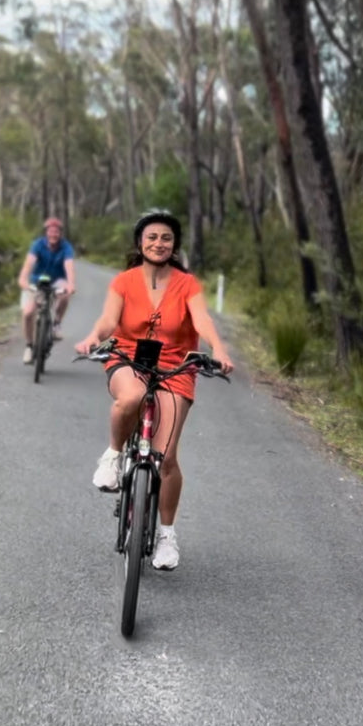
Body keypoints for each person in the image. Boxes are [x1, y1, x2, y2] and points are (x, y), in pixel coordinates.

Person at [74, 210, 235, 571]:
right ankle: (114, 456)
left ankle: (166, 536)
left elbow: (202, 320)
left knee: (166, 459)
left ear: (174, 245)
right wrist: (92, 337)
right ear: (140, 243)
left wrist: (219, 349)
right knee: (129, 398)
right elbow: (108, 321)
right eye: (151, 238)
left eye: (166, 238)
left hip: (175, 368)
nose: (159, 243)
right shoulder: (124, 282)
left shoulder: (188, 284)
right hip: (128, 359)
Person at [16, 217, 77, 363]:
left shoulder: (66, 247)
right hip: (38, 281)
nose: (53, 235)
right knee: (28, 313)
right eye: (50, 232)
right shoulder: (37, 245)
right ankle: (29, 346)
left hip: (57, 280)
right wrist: (24, 282)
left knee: (65, 294)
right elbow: (27, 267)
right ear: (46, 233)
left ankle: (56, 323)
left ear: (60, 234)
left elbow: (69, 267)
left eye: (56, 232)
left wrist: (71, 284)